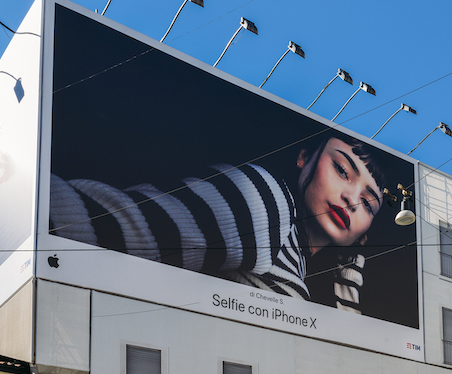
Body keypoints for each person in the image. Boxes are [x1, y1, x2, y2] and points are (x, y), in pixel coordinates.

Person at [49, 133, 386, 313]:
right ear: (303, 158)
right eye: (342, 170)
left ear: (365, 234)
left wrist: (347, 293)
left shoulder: (293, 253)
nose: (352, 199)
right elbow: (120, 227)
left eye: (368, 203)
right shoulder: (268, 203)